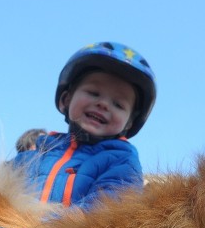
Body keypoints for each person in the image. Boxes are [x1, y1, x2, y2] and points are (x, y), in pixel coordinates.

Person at [11, 41, 155, 210]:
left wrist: (47, 222)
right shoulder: (38, 153)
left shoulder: (122, 161)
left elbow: (106, 210)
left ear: (129, 123)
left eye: (118, 104)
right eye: (93, 93)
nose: (103, 104)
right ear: (66, 99)